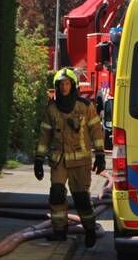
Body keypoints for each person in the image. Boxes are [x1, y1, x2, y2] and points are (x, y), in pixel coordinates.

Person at [34, 68, 106, 247]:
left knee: (81, 198)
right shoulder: (51, 110)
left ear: (73, 86)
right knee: (57, 194)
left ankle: (89, 230)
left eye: (67, 84)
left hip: (81, 162)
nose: (64, 87)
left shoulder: (85, 106)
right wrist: (38, 159)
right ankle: (60, 231)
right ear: (57, 87)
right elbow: (44, 136)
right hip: (59, 160)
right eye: (61, 84)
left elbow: (96, 132)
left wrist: (100, 155)